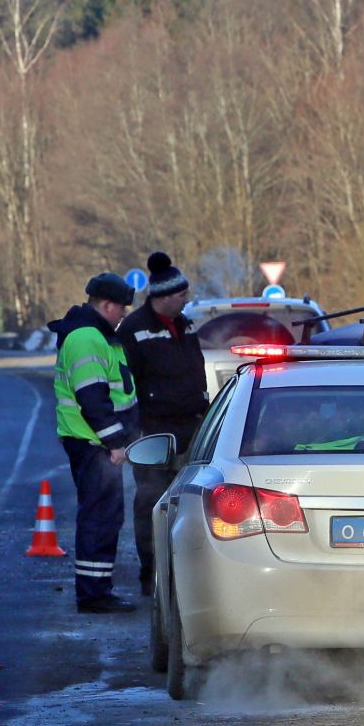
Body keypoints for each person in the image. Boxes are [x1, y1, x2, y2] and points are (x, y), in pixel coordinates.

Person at [50, 272, 141, 613]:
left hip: (94, 442)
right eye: (121, 308)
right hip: (94, 443)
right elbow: (93, 398)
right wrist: (116, 442)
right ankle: (94, 595)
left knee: (104, 515)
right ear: (106, 305)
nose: (124, 315)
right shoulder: (88, 337)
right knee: (100, 517)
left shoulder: (97, 335)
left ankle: (97, 590)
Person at [121, 252, 208, 596]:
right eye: (181, 294)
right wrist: (136, 428)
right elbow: (127, 384)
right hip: (154, 429)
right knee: (152, 503)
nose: (186, 299)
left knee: (191, 503)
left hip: (193, 426)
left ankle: (187, 572)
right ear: (163, 296)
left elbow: (196, 368)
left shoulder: (186, 325)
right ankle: (152, 574)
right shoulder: (134, 330)